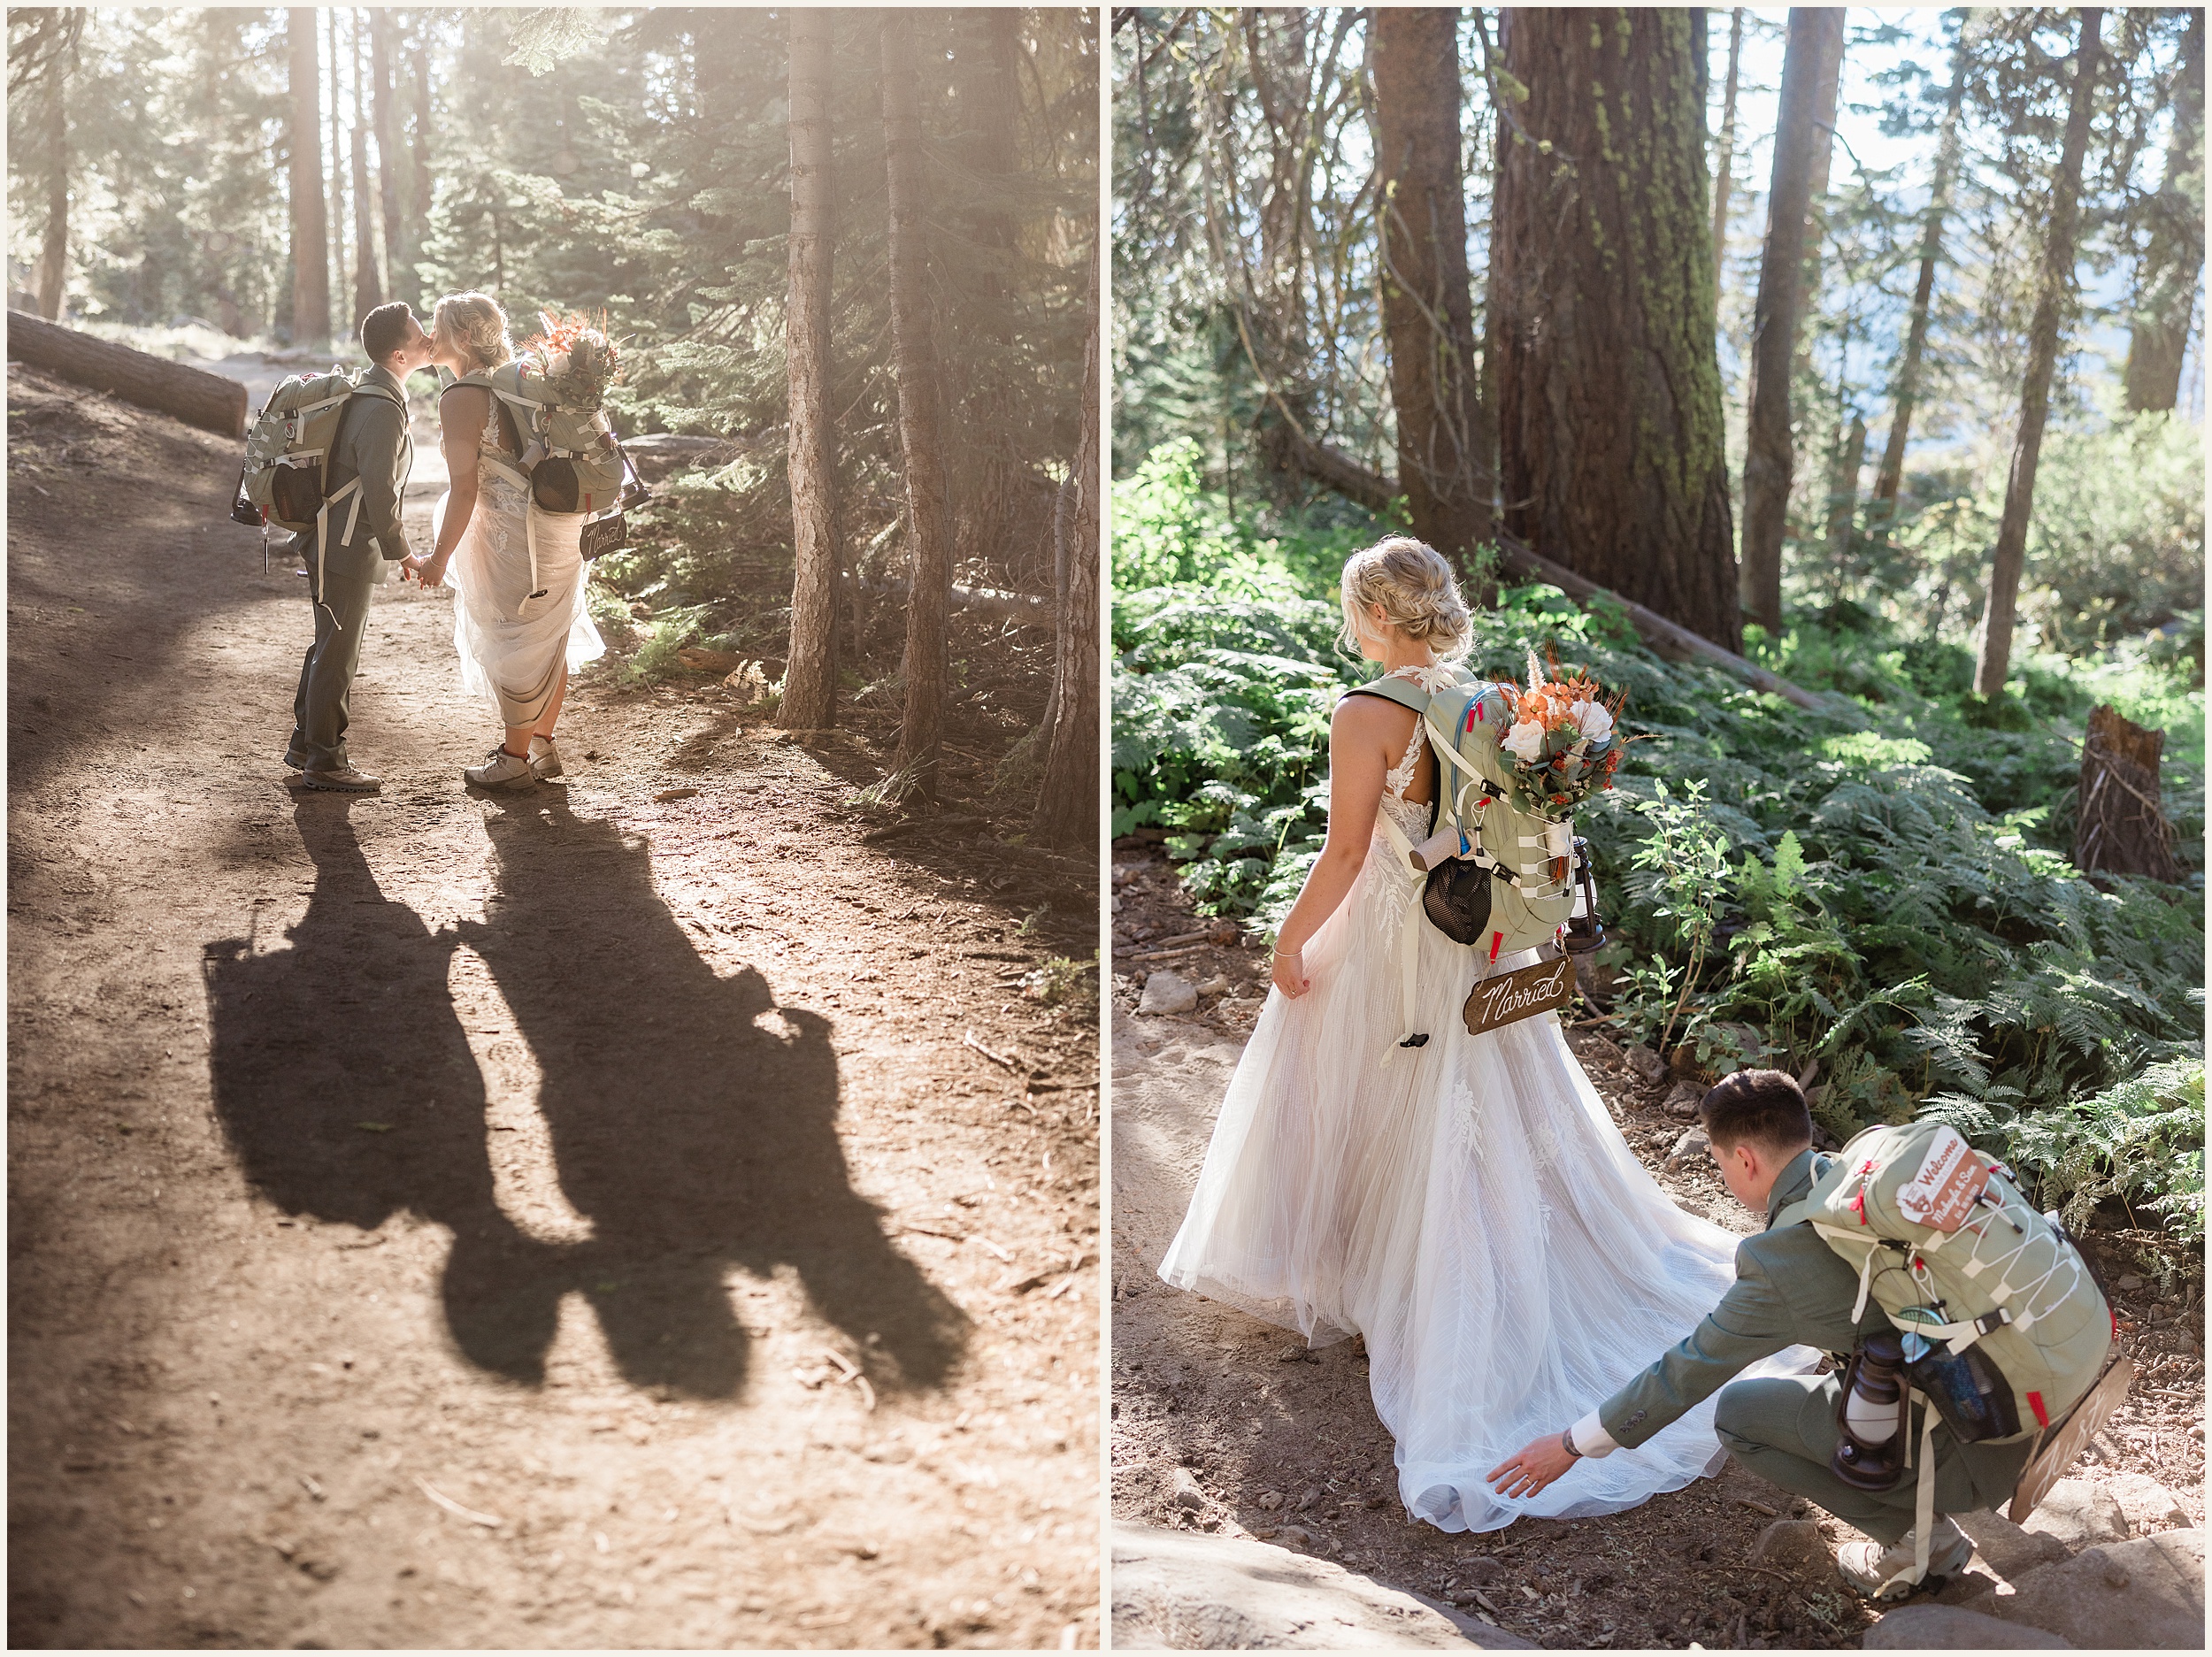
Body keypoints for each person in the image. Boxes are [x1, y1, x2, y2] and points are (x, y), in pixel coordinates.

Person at [1156, 536, 1812, 1534]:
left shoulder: (1363, 712)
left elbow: (1343, 851)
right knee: (1479, 1104)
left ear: (1373, 616)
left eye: (1353, 609)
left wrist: (1291, 936)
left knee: (1366, 1092)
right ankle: (1418, 1279)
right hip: (1480, 940)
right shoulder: (1495, 708)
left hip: (1388, 934)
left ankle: (1404, 1292)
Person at [1486, 1069, 2039, 1598]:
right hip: (2030, 1397)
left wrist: (1569, 1444)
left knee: (1740, 1414)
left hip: (1974, 1445)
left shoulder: (1780, 1259)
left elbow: (1686, 1371)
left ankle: (1924, 1540)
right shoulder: (1857, 1179)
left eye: (1719, 1160)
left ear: (1745, 1159)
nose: (1722, 1174)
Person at [402, 290, 603, 789]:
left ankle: (513, 761)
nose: (430, 336)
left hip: (512, 534)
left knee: (512, 638)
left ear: (465, 338)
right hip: (562, 525)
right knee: (548, 635)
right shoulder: (524, 385)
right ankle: (542, 747)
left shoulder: (462, 396)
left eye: (438, 327)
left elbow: (465, 488)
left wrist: (437, 559)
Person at [283, 301, 434, 792]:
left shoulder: (369, 393)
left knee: (328, 644)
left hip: (330, 538)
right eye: (419, 337)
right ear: (398, 354)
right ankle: (326, 761)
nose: (428, 340)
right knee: (338, 652)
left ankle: (307, 744)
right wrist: (404, 552)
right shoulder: (382, 409)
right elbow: (380, 491)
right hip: (345, 545)